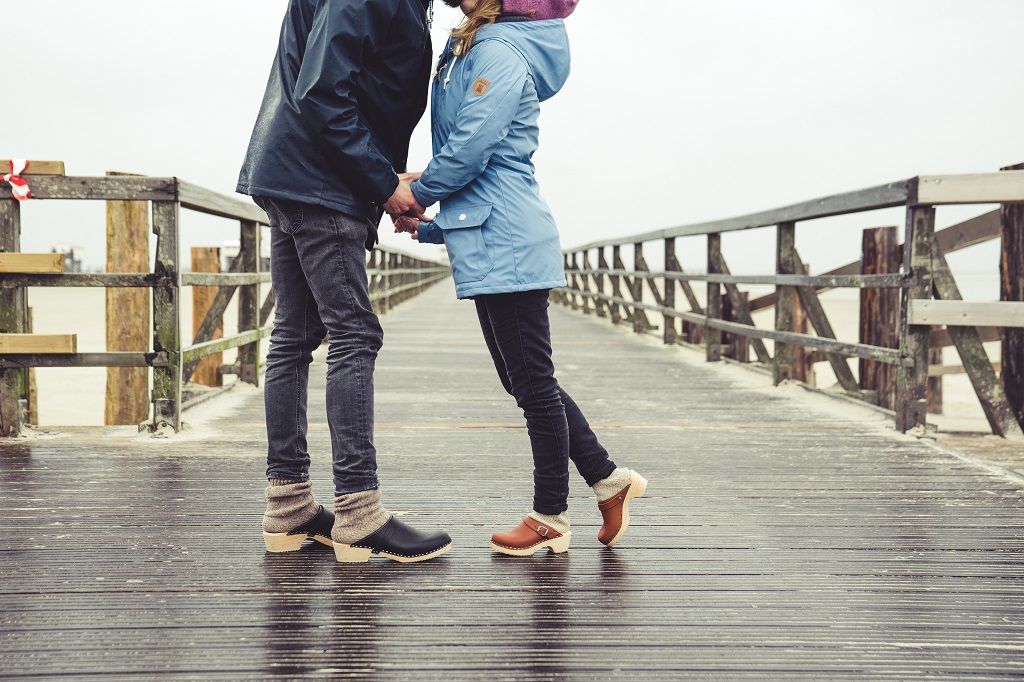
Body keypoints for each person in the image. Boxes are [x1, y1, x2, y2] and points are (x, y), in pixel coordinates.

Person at [398, 0, 647, 556]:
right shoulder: (479, 44)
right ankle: (608, 482)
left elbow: (473, 148)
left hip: (509, 242)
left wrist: (416, 191)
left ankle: (550, 516)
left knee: (533, 383)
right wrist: (437, 227)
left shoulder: (501, 51)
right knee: (525, 380)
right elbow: (483, 162)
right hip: (495, 236)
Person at [237, 0, 452, 564]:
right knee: (355, 334)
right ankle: (358, 514)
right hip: (319, 181)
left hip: (293, 170)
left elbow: (357, 87)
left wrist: (384, 185)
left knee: (294, 335)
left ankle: (289, 506)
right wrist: (382, 185)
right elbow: (323, 92)